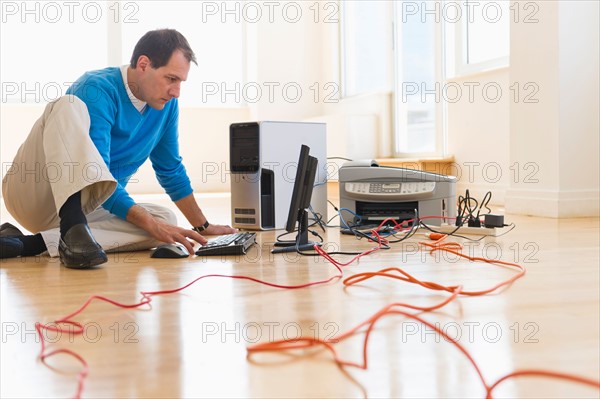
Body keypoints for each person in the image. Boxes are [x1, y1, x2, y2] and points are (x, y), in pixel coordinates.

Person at [0, 29, 236, 268]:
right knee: (67, 105)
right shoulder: (96, 89)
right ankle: (71, 227)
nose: (176, 92)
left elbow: (171, 169)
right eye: (171, 79)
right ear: (144, 64)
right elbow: (96, 173)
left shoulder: (166, 107)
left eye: (180, 82)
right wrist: (147, 222)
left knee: (165, 220)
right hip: (35, 193)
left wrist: (203, 226)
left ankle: (30, 244)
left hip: (86, 209)